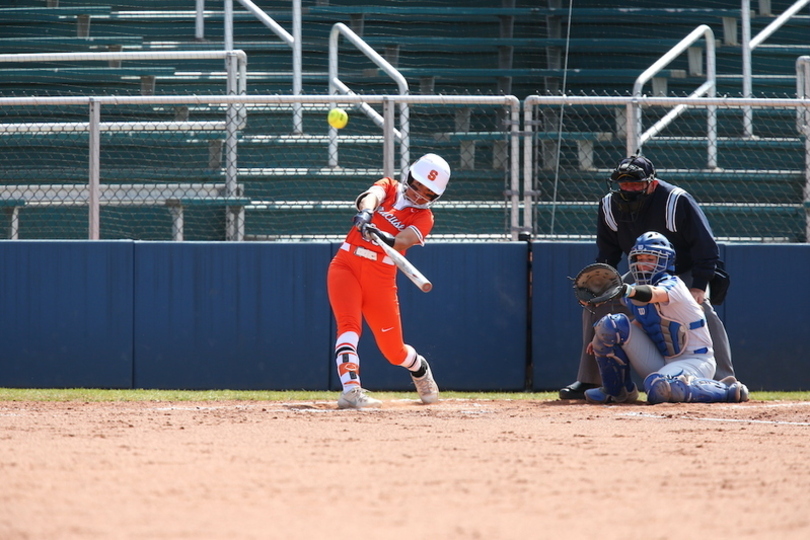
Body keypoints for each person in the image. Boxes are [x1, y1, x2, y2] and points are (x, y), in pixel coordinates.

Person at [560, 155, 735, 400]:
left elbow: (705, 247)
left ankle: (723, 380)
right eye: (623, 184)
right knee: (597, 308)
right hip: (640, 269)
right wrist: (599, 289)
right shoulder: (609, 205)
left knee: (702, 309)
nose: (628, 189)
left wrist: (699, 285)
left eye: (635, 184)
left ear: (651, 183)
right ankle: (593, 379)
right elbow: (608, 252)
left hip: (681, 269)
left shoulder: (676, 201)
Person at [327, 153, 450, 409]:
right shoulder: (390, 187)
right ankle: (351, 390)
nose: (419, 194)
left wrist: (384, 236)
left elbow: (405, 240)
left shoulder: (424, 218)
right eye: (417, 185)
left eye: (427, 193)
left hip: (381, 277)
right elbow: (369, 197)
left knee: (393, 351)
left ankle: (418, 367)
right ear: (409, 178)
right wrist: (367, 214)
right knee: (349, 326)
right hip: (346, 263)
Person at [583, 231, 748, 404]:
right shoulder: (634, 290)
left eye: (650, 258)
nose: (643, 263)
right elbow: (638, 324)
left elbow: (653, 294)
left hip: (695, 361)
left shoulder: (674, 285)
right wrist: (603, 336)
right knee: (610, 324)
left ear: (665, 261)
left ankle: (727, 390)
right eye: (639, 258)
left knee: (657, 388)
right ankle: (617, 391)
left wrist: (625, 290)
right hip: (662, 360)